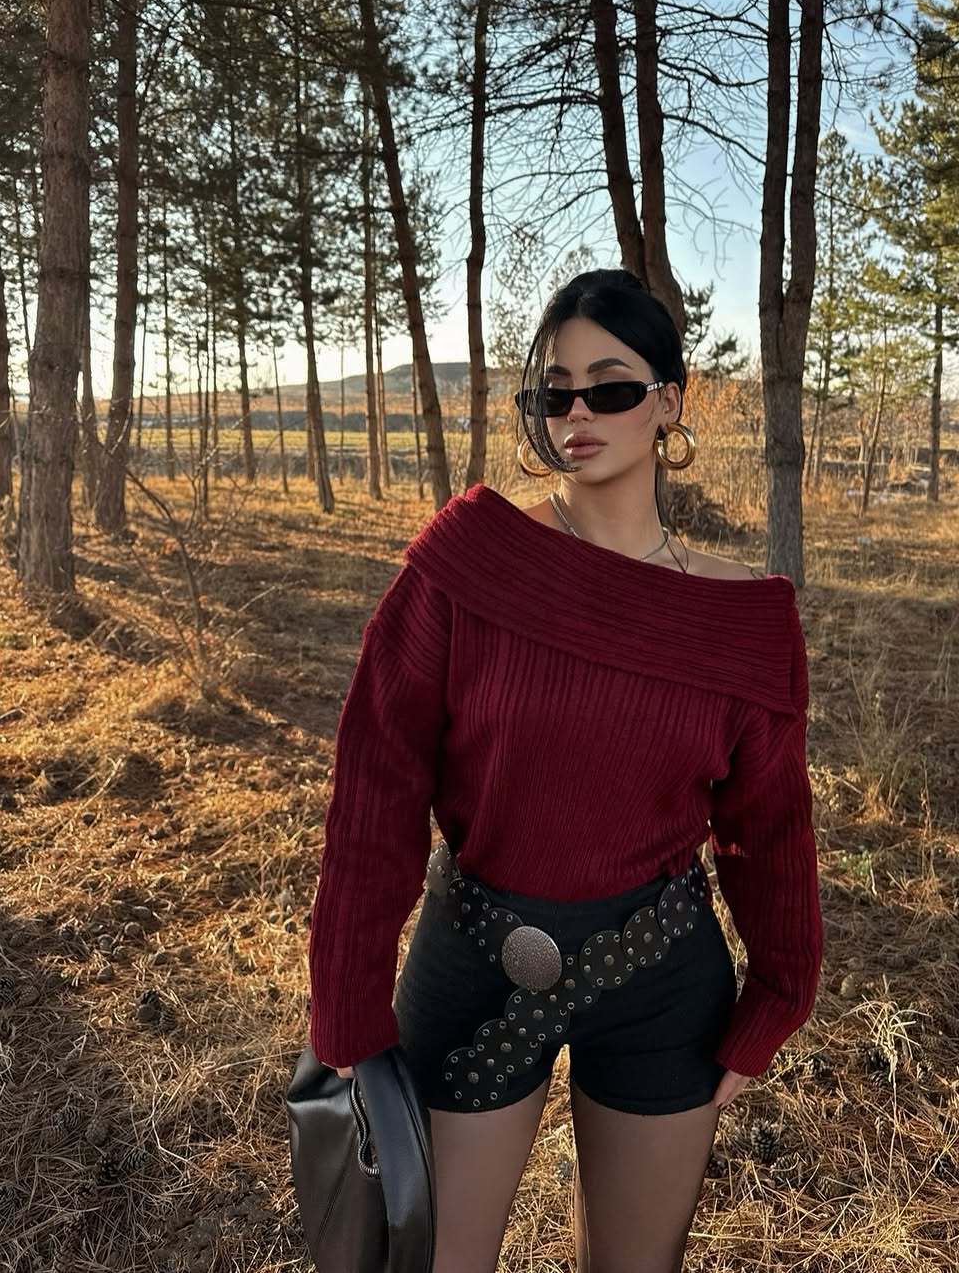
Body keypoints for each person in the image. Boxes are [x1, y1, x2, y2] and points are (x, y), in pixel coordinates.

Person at [306, 268, 824, 1273]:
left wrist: (779, 991)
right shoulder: (468, 562)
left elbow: (769, 827)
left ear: (669, 401)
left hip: (662, 977)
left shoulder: (745, 619)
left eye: (611, 386)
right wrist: (349, 1006)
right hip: (474, 956)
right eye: (554, 392)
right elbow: (376, 786)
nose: (578, 413)